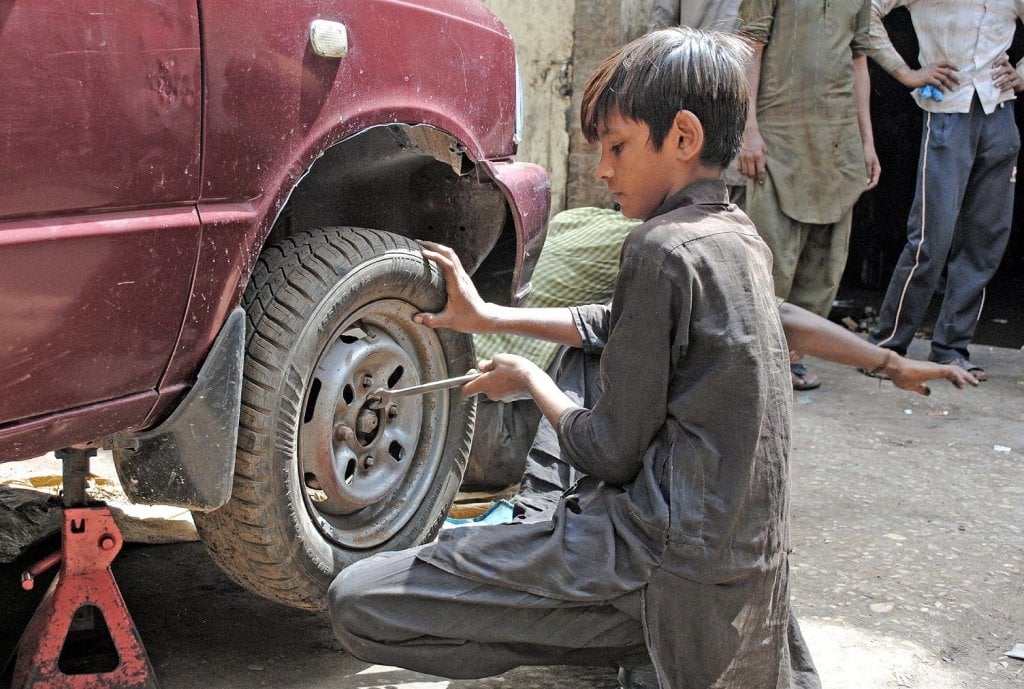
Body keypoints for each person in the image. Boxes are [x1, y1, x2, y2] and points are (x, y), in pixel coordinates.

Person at [331, 27, 819, 688]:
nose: (603, 170)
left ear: (682, 136)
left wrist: (531, 380)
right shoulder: (735, 237)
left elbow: (609, 451)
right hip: (729, 557)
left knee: (357, 602)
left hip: (657, 563)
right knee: (587, 356)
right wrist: (491, 316)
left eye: (616, 147)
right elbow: (609, 326)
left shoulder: (659, 249)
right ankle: (615, 627)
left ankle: (620, 636)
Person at [864, 0, 1024, 382]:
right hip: (946, 112)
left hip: (999, 113)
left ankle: (953, 348)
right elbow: (865, 15)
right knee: (930, 239)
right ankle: (886, 346)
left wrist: (1021, 74)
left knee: (985, 239)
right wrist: (906, 73)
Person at [738, 0, 882, 391]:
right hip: (779, 134)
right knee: (771, 256)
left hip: (836, 140)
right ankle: (757, 359)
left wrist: (867, 141)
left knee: (824, 261)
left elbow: (859, 64)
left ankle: (789, 356)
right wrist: (748, 129)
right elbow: (750, 48)